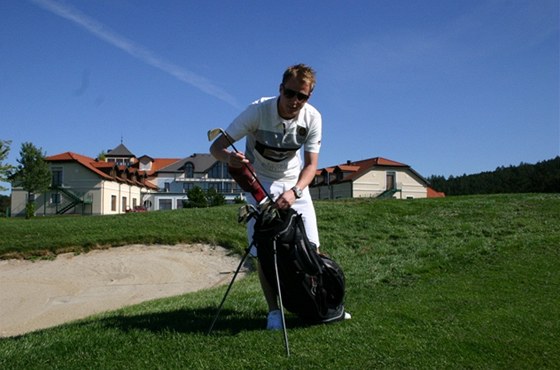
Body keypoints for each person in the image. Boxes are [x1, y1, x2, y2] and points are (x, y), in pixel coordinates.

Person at [210, 64, 322, 330]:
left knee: (313, 247)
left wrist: (295, 191)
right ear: (280, 89)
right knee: (264, 251)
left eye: (302, 96)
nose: (295, 101)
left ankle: (319, 303)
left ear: (308, 97)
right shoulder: (258, 111)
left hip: (294, 181)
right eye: (291, 93)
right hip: (260, 180)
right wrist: (231, 158)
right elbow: (216, 148)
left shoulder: (313, 118)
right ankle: (274, 312)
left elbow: (311, 166)